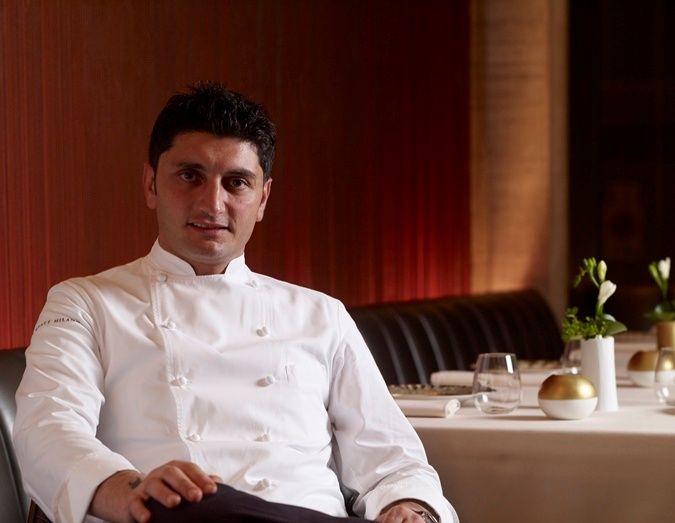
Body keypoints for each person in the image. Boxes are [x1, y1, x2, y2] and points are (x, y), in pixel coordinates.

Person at [13, 82, 459, 523]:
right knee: (207, 507)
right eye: (190, 176)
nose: (213, 203)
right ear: (150, 185)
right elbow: (48, 429)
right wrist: (131, 492)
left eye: (236, 182)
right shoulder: (85, 304)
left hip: (310, 516)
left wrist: (411, 509)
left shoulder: (322, 315)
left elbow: (394, 460)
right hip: (179, 518)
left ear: (262, 198)